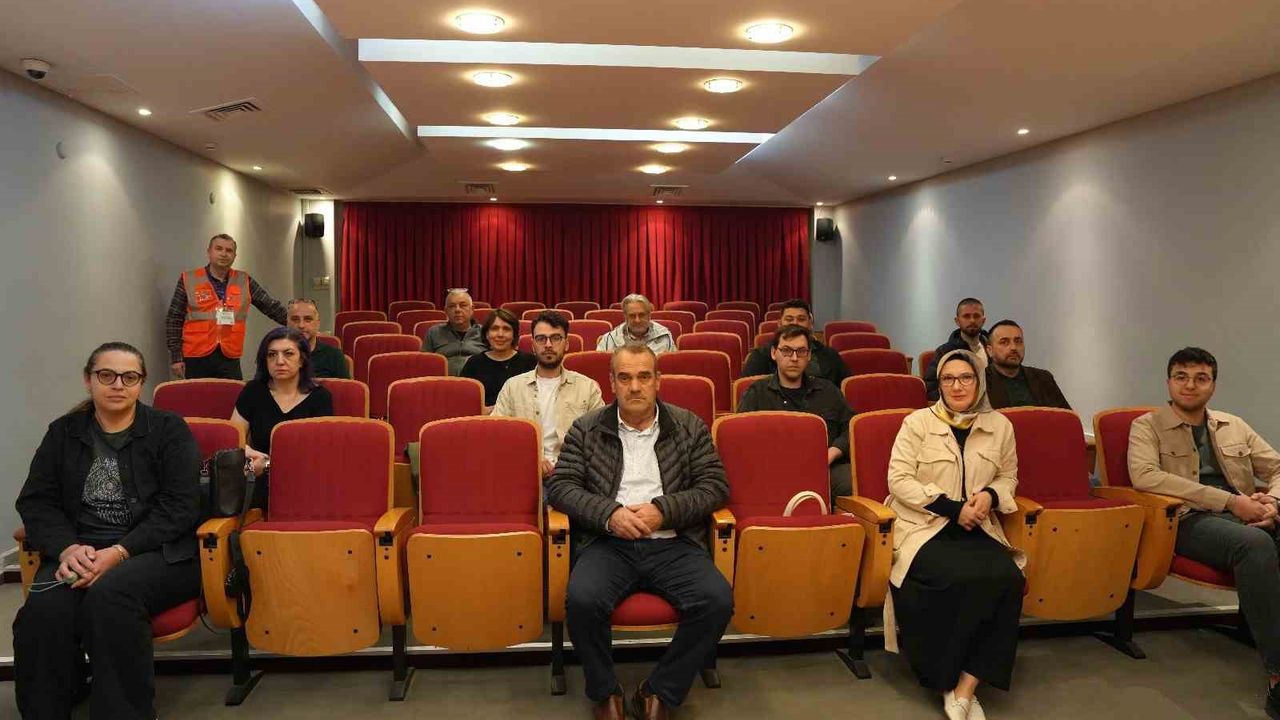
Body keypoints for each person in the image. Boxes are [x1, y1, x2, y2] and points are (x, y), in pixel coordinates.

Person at [14, 342, 202, 720]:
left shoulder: (168, 430)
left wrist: (118, 553)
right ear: (89, 380)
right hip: (80, 551)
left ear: (141, 383)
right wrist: (67, 549)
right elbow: (37, 502)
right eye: (107, 375)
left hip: (158, 553)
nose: (118, 384)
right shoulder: (63, 432)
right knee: (42, 613)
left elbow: (180, 508)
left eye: (129, 377)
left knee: (112, 595)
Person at [547, 344, 733, 720]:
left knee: (716, 601)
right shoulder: (586, 428)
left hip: (674, 542)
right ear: (612, 383)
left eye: (644, 376)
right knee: (582, 601)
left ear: (658, 380)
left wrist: (663, 511)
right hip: (608, 543)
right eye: (625, 377)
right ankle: (604, 691)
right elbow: (562, 487)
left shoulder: (689, 425)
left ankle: (660, 689)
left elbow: (715, 486)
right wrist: (610, 514)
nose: (635, 386)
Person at [1128, 347, 1280, 717]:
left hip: (1245, 512)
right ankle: (1278, 674)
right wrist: (1229, 502)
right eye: (1181, 377)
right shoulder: (1146, 426)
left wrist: (1273, 502)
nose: (1190, 385)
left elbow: (1277, 467)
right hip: (1185, 521)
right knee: (1255, 543)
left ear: (1213, 385)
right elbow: (1145, 477)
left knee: (1261, 534)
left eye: (1201, 378)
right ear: (1168, 382)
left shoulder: (1233, 425)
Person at [885, 349, 1024, 720]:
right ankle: (945, 680)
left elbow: (1008, 476)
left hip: (979, 526)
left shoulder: (1000, 426)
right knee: (953, 578)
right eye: (948, 379)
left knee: (1008, 578)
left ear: (979, 382)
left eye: (966, 378)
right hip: (924, 526)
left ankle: (966, 687)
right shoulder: (917, 423)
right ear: (939, 384)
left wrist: (990, 495)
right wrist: (951, 507)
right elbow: (898, 480)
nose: (957, 386)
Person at [737, 326, 855, 502]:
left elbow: (850, 428)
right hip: (772, 471)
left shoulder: (828, 391)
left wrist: (833, 452)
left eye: (801, 351)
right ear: (774, 353)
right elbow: (740, 440)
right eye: (786, 350)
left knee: (855, 480)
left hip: (824, 468)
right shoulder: (756, 393)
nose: (794, 358)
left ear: (809, 355)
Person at [230, 327, 333, 508]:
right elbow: (233, 441)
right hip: (259, 479)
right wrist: (250, 462)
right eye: (272, 355)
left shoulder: (320, 397)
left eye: (288, 354)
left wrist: (270, 463)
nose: (279, 361)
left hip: (305, 480)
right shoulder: (253, 391)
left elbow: (321, 452)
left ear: (302, 360)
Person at [492, 311, 604, 476]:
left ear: (566, 344)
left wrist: (568, 465)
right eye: (541, 339)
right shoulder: (512, 387)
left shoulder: (587, 387)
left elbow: (600, 438)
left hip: (574, 474)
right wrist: (531, 458)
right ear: (533, 345)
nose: (548, 345)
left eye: (556, 338)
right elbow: (497, 434)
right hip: (524, 471)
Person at [164, 233, 289, 380]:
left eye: (229, 251)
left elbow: (270, 306)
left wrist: (296, 323)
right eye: (219, 249)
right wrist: (176, 357)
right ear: (209, 252)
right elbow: (174, 318)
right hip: (195, 356)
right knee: (198, 394)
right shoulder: (189, 279)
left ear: (234, 256)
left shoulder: (244, 280)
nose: (224, 254)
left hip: (229, 356)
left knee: (232, 393)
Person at [742, 298, 848, 388]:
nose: (795, 324)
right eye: (789, 319)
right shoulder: (760, 356)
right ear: (779, 324)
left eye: (801, 319)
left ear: (810, 324)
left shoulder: (830, 356)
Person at [982, 320, 1070, 409]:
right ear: (990, 350)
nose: (1013, 347)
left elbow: (1066, 414)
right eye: (1004, 342)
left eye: (1018, 341)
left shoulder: (1043, 378)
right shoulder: (981, 381)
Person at [461, 307, 536, 411]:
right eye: (494, 328)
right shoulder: (473, 364)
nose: (500, 334)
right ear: (487, 334)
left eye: (506, 329)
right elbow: (464, 403)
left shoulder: (531, 362)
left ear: (514, 335)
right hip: (485, 419)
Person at [925, 298, 989, 401]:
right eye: (966, 316)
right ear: (957, 321)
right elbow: (931, 387)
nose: (972, 320)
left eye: (976, 316)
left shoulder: (993, 349)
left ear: (983, 320)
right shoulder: (944, 352)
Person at [423, 288, 486, 375]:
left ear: (472, 309)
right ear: (446, 311)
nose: (457, 310)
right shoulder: (434, 332)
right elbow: (424, 364)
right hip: (444, 381)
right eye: (452, 306)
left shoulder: (485, 332)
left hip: (478, 380)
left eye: (463, 305)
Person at [286, 297, 349, 379]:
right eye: (295, 319)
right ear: (287, 323)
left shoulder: (334, 356)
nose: (301, 325)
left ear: (318, 323)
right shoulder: (277, 355)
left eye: (308, 319)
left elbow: (345, 386)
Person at [596, 294, 675, 354]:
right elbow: (600, 366)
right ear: (625, 317)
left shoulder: (665, 337)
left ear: (649, 315)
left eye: (641, 315)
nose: (637, 320)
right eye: (632, 316)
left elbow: (672, 366)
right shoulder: (610, 339)